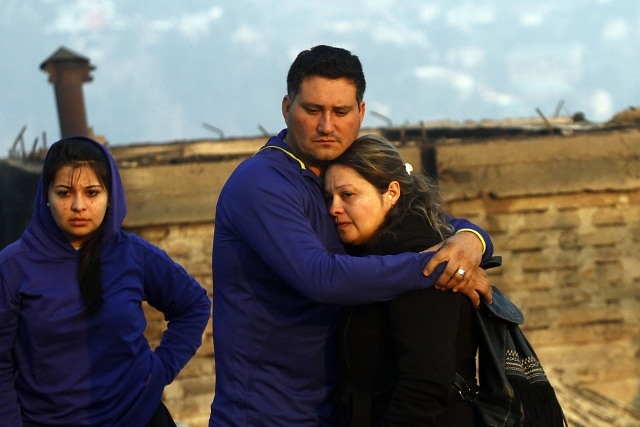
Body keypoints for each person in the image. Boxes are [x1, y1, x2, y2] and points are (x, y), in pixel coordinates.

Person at [209, 45, 493, 426]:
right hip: (266, 413)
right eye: (312, 111)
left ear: (361, 113)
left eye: (341, 112)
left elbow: (423, 218)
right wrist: (436, 266)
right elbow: (321, 276)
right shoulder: (262, 183)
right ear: (286, 108)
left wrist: (471, 241)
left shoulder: (335, 172)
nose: (327, 127)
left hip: (333, 410)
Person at [0, 136, 211, 426]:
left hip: (139, 417)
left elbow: (193, 304)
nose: (78, 205)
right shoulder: (14, 267)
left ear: (110, 195)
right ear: (46, 195)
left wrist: (159, 369)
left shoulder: (133, 254)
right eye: (64, 193)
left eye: (92, 192)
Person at [325, 134, 481, 426]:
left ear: (392, 193)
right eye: (329, 198)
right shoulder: (366, 259)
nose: (333, 208)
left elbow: (426, 385)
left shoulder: (424, 258)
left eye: (348, 195)